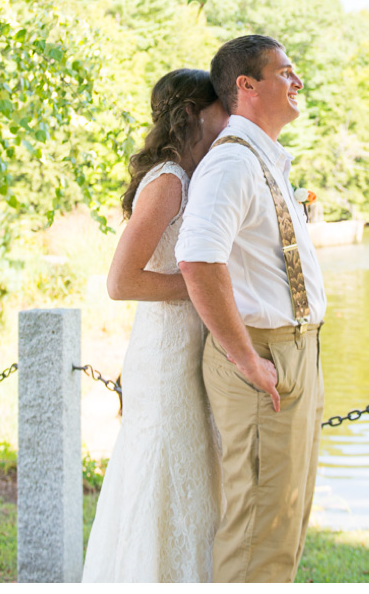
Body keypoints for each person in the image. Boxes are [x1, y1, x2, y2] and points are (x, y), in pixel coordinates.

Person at [176, 35, 328, 583]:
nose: (298, 81)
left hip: (297, 353)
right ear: (246, 86)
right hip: (263, 357)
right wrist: (245, 358)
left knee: (284, 521)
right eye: (285, 72)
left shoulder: (265, 160)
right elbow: (196, 260)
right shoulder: (232, 165)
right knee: (258, 530)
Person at [81, 68, 230, 583]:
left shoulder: (195, 178)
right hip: (165, 359)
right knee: (164, 479)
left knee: (191, 481)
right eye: (222, 109)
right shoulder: (168, 181)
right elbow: (121, 282)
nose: (230, 119)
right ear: (192, 114)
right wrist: (199, 286)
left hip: (189, 353)